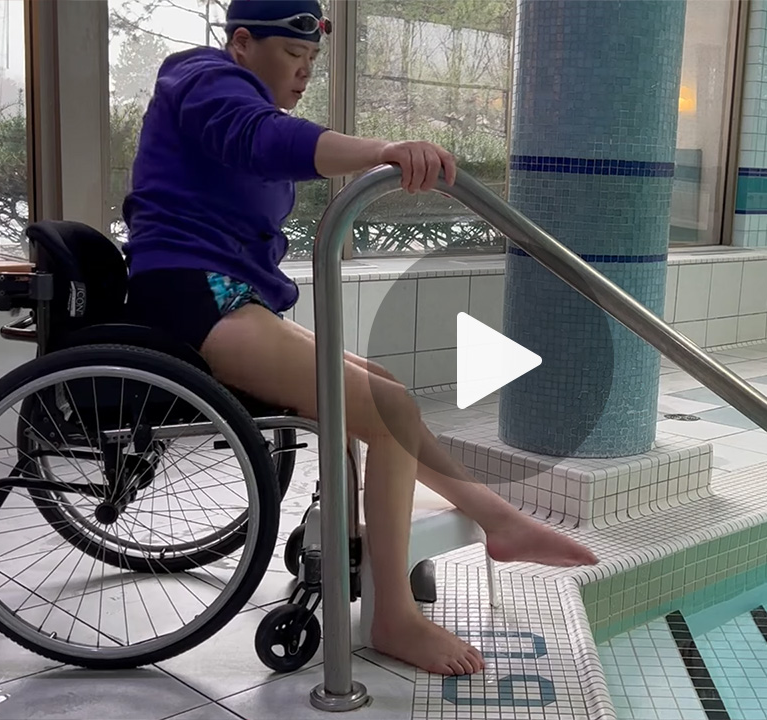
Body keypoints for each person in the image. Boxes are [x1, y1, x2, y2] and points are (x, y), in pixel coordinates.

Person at [121, 0, 598, 677]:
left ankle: (494, 518)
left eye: (312, 62)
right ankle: (395, 618)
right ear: (242, 43)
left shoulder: (230, 94)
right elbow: (263, 141)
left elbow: (266, 142)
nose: (304, 73)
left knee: (387, 388)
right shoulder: (201, 79)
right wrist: (383, 150)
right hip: (196, 297)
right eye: (293, 57)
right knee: (386, 409)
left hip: (224, 294)